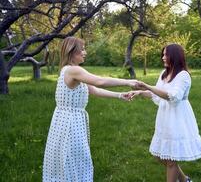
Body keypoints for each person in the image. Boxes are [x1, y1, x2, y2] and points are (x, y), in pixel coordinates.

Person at [42, 36, 136, 181]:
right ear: (72, 52)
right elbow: (100, 81)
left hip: (68, 120)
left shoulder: (74, 70)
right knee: (72, 158)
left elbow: (94, 90)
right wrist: (128, 82)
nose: (85, 52)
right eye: (82, 49)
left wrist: (119, 95)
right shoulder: (72, 70)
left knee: (72, 158)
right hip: (69, 123)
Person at [131, 44, 201, 182]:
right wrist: (141, 92)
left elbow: (173, 96)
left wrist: (147, 86)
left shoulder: (183, 75)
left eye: (166, 54)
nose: (163, 57)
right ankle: (184, 179)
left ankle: (182, 180)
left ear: (175, 56)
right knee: (160, 155)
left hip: (178, 118)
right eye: (163, 54)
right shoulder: (164, 73)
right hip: (165, 118)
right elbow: (157, 94)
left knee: (171, 160)